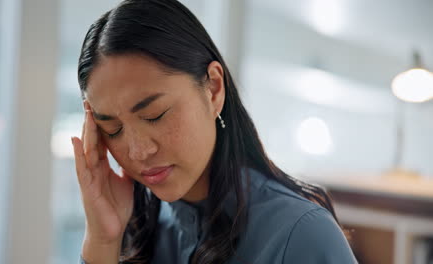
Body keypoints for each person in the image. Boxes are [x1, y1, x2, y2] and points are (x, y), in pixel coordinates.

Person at [70, 0, 358, 263]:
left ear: (214, 89)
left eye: (154, 115)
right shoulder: (133, 226)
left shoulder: (300, 235)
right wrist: (102, 239)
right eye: (113, 129)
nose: (137, 151)